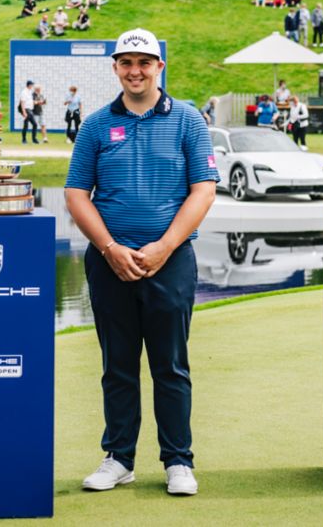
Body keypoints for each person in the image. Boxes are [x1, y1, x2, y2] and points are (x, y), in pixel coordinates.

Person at [65, 27, 218, 497]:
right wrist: (110, 248)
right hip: (110, 261)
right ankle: (119, 458)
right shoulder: (95, 124)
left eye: (144, 62)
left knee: (170, 364)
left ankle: (178, 461)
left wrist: (164, 246)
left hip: (169, 261)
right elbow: (76, 193)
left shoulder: (189, 119)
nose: (135, 71)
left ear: (159, 67)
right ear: (115, 67)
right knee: (118, 364)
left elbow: (203, 189)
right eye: (126, 62)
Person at [19, 80, 39, 144]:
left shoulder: (29, 92)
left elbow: (30, 101)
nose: (32, 86)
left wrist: (37, 102)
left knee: (34, 124)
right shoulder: (24, 92)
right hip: (26, 109)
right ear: (29, 85)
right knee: (26, 125)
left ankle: (34, 139)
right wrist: (24, 112)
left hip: (30, 110)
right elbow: (22, 102)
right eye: (32, 85)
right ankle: (24, 139)